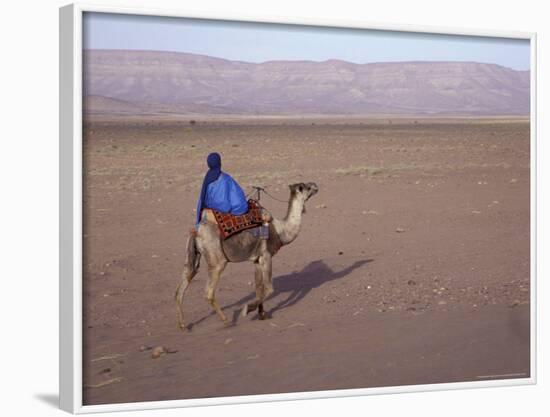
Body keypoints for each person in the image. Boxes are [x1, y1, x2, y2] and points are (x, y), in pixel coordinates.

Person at [195, 152, 248, 228]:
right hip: (227, 208)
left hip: (210, 207)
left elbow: (202, 199)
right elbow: (225, 201)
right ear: (220, 162)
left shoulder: (208, 176)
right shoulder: (225, 179)